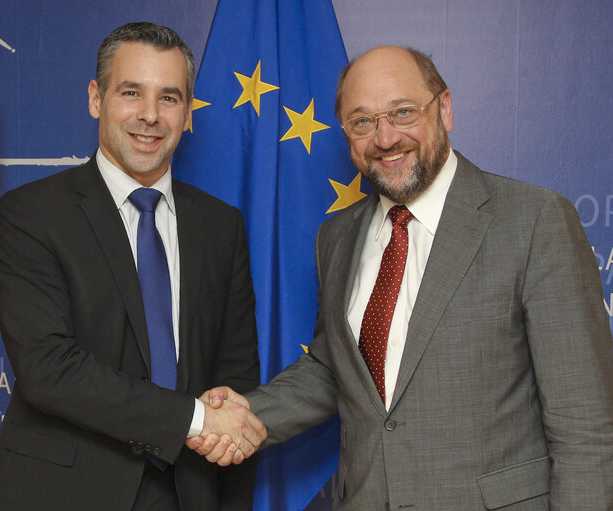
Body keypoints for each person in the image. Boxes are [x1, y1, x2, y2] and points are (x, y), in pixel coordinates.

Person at [189, 45, 613, 509]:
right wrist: (247, 415)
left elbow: (587, 427)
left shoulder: (534, 221)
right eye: (362, 121)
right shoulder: (337, 237)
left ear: (444, 109)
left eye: (403, 112)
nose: (385, 138)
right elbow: (336, 368)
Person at [0, 22, 266, 511]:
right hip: (62, 494)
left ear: (188, 112)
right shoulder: (31, 214)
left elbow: (235, 375)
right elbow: (48, 368)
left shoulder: (221, 225)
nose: (150, 116)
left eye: (169, 98)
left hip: (189, 489)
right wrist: (195, 420)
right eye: (131, 93)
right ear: (96, 98)